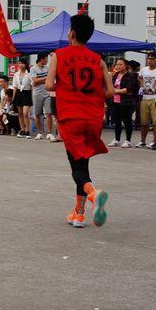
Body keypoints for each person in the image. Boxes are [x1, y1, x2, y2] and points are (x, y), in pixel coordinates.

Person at [46, 14, 113, 229]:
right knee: (82, 162)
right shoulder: (98, 60)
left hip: (70, 116)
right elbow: (110, 92)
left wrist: (66, 86)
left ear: (72, 33)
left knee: (76, 166)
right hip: (93, 117)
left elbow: (49, 85)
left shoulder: (58, 55)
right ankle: (79, 214)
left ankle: (93, 195)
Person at [108, 58, 138, 148]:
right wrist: (114, 91)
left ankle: (128, 140)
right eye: (117, 64)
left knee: (127, 121)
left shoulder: (130, 76)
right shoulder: (115, 75)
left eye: (120, 64)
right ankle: (116, 139)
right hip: (115, 101)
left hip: (126, 102)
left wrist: (115, 91)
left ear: (126, 66)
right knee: (117, 121)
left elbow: (127, 89)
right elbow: (112, 86)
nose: (118, 66)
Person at [137, 52, 156, 148]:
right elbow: (139, 77)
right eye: (148, 59)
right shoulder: (144, 70)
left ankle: (154, 141)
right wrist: (142, 85)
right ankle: (142, 141)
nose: (149, 61)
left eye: (152, 59)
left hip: (155, 98)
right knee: (144, 122)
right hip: (144, 98)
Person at [30, 52, 53, 141]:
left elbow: (48, 79)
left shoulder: (47, 68)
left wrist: (39, 80)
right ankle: (39, 133)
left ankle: (49, 133)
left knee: (49, 113)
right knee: (37, 114)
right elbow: (35, 81)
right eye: (46, 59)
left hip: (47, 93)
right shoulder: (33, 69)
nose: (47, 60)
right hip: (37, 94)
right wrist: (46, 78)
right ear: (41, 59)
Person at [12, 59, 33, 138]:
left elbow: (32, 86)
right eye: (19, 63)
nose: (20, 65)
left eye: (22, 63)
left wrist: (32, 98)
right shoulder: (16, 74)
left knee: (25, 113)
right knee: (20, 113)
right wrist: (13, 98)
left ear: (26, 64)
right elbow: (15, 86)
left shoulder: (29, 74)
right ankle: (22, 129)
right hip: (18, 93)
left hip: (27, 93)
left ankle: (27, 130)